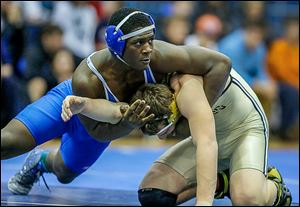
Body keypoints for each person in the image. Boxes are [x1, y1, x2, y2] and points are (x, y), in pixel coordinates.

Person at [1, 7, 231, 197]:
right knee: (8, 143)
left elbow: (220, 64)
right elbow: (98, 132)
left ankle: (41, 161)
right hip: (71, 100)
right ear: (117, 45)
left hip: (108, 120)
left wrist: (187, 118)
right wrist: (129, 125)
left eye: (150, 40)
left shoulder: (159, 56)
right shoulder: (88, 76)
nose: (148, 49)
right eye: (139, 43)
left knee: (64, 173)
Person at [128, 72, 292, 206]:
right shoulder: (161, 90)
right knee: (152, 195)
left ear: (171, 109)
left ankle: (276, 189)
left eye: (164, 128)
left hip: (245, 130)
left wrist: (204, 202)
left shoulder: (187, 92)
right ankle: (224, 182)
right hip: (212, 134)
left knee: (246, 199)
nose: (162, 136)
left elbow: (207, 145)